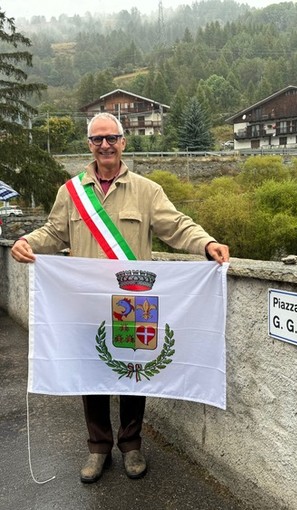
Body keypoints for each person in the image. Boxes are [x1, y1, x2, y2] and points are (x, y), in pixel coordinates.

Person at [11, 112, 230, 484]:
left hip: (131, 304)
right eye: (97, 139)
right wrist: (26, 242)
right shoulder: (71, 191)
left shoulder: (147, 190)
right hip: (87, 304)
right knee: (91, 376)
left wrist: (206, 242)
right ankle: (98, 448)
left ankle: (131, 445)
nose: (105, 145)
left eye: (111, 137)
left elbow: (175, 226)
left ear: (123, 142)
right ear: (89, 145)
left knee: (133, 375)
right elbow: (53, 232)